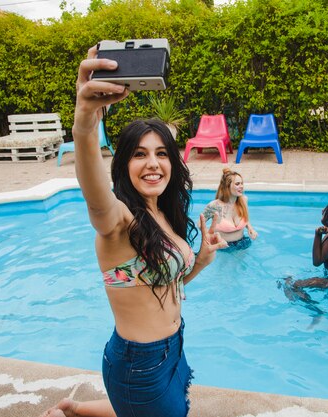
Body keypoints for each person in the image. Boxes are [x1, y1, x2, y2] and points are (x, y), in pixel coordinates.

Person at [42, 46, 227, 417]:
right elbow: (95, 198)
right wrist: (85, 122)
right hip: (139, 365)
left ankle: (73, 409)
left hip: (173, 348)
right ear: (123, 164)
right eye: (139, 154)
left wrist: (202, 261)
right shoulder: (118, 221)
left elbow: (164, 286)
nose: (153, 163)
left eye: (162, 153)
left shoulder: (161, 214)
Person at [201, 168, 258, 251]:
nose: (241, 186)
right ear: (227, 187)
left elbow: (246, 218)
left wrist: (250, 228)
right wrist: (209, 237)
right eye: (237, 184)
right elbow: (199, 224)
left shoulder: (244, 200)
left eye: (242, 183)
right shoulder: (214, 205)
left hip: (242, 243)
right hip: (223, 247)